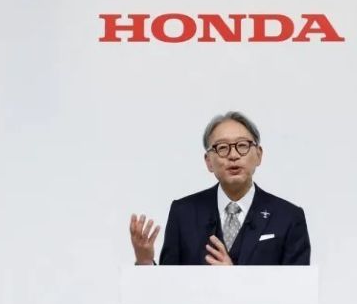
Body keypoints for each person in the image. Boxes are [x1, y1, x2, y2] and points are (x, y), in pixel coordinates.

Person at [130, 111, 310, 266]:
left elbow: (298, 289)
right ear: (209, 161)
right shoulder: (183, 213)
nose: (233, 155)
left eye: (242, 146)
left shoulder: (289, 217)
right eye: (222, 148)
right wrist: (145, 261)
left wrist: (234, 279)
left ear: (259, 155)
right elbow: (168, 286)